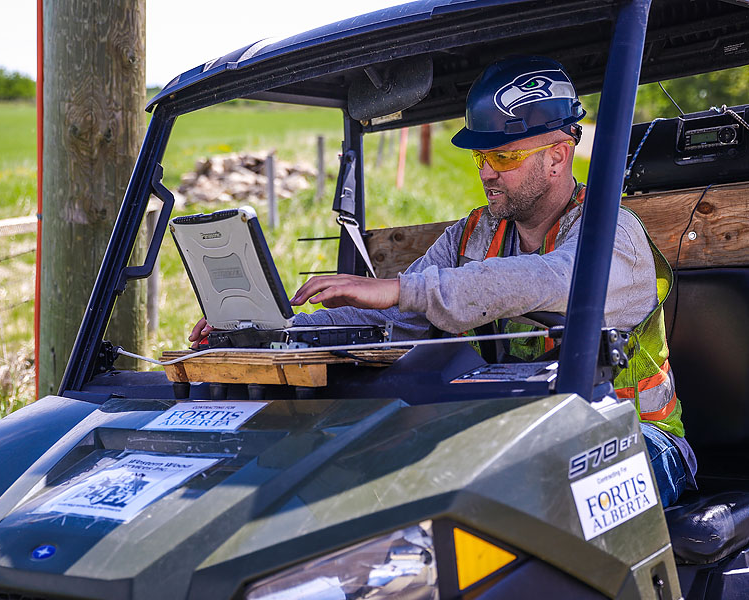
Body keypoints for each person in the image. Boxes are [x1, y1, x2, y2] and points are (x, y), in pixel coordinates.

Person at [190, 56, 695, 507]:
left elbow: (554, 280)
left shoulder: (614, 231)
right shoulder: (471, 235)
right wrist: (278, 331)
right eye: (481, 158)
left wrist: (403, 287)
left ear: (558, 156)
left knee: (527, 489)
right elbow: (395, 317)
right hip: (526, 427)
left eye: (503, 157)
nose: (487, 174)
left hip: (639, 436)